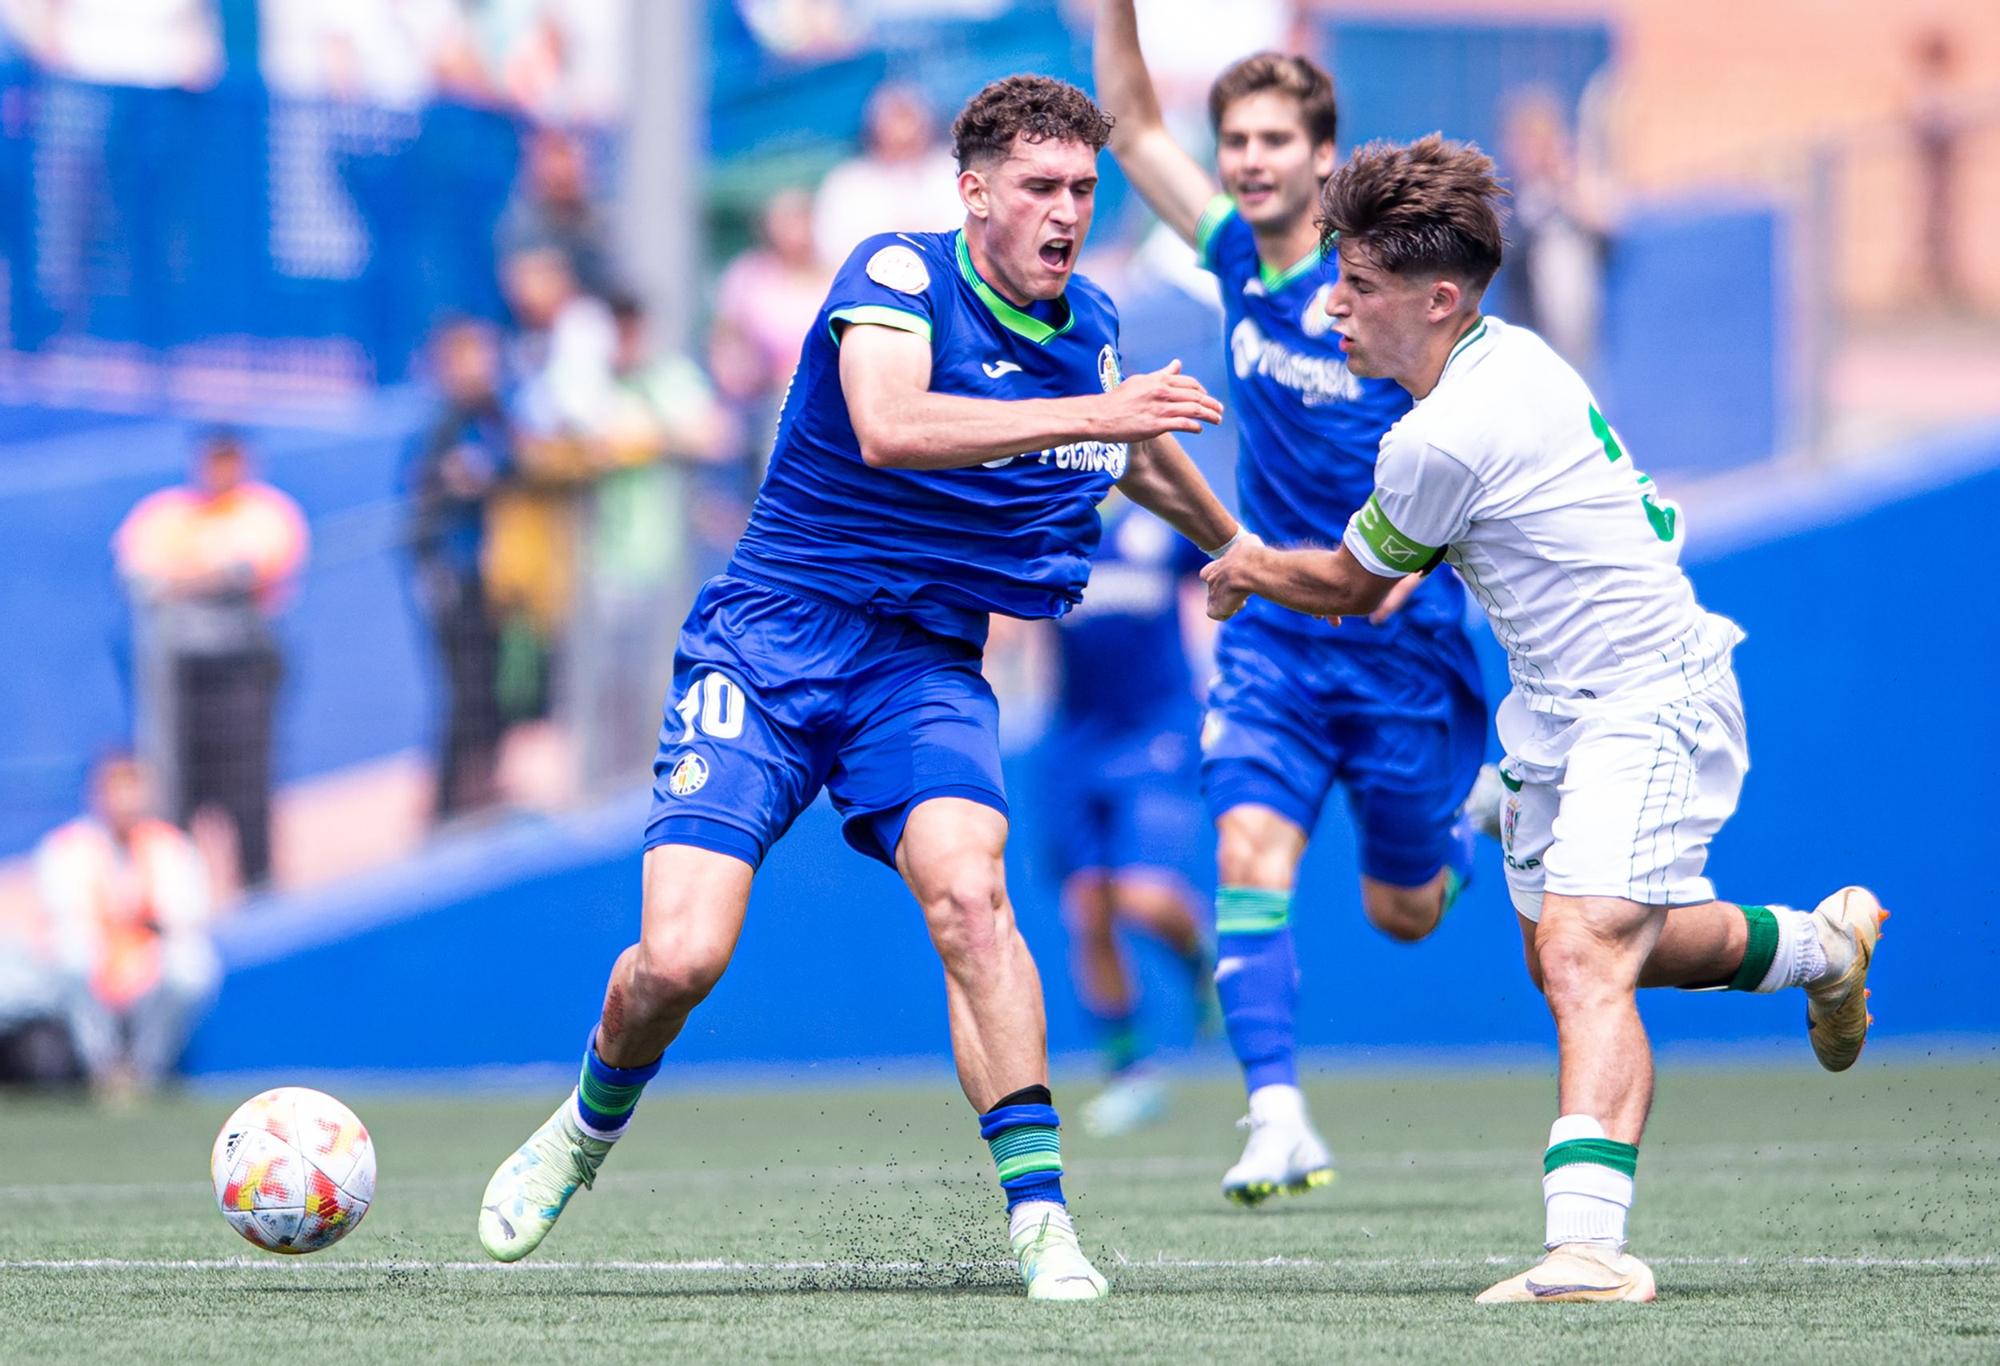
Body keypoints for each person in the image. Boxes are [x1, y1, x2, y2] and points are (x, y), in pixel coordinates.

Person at [475, 74, 1245, 1302]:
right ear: (972, 191)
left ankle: (1041, 1221)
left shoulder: (1085, 326)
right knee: (678, 959)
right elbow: (890, 424)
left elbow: (1123, 449)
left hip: (922, 663)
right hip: (771, 647)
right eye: (1040, 187)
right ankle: (582, 1125)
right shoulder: (893, 277)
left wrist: (1234, 546)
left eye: (1084, 190)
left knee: (971, 895)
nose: (1066, 212)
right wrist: (1099, 405)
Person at [1201, 134, 1885, 1303]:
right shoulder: (1492, 360)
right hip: (1555, 716)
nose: (1334, 308)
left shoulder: (1443, 432)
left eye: (1357, 287)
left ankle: (1587, 1247)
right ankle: (1822, 948)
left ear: (1437, 298)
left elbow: (1358, 590)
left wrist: (1245, 563)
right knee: (1594, 950)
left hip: (1649, 694)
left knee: (1582, 948)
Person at [1095, 2, 1492, 1203]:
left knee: (1404, 911)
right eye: (1236, 141)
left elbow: (1485, 434)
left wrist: (1432, 556)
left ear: (1325, 159)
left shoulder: (1378, 288)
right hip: (1273, 631)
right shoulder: (1228, 254)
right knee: (1245, 847)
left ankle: (1467, 825)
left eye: (1275, 139)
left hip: (1395, 640)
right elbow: (1123, 119)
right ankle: (1275, 1115)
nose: (1250, 160)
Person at [1047, 495, 1218, 1137]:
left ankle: (1202, 955)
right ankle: (1130, 1075)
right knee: (1086, 908)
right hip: (1075, 743)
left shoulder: (1157, 524)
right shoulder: (1048, 522)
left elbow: (1226, 569)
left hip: (1157, 731)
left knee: (1141, 898)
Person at [114, 431, 310, 893]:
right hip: (177, 680)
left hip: (243, 676)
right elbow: (138, 579)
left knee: (248, 789)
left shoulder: (266, 512)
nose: (220, 472)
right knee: (177, 795)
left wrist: (181, 580)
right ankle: (180, 900)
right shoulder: (165, 515)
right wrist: (205, 575)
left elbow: (245, 571)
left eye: (230, 462)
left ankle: (259, 886)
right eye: (212, 462)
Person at [32, 754, 219, 1098]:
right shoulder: (68, 847)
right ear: (98, 796)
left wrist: (140, 938)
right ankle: (102, 1068)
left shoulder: (169, 846)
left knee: (191, 965)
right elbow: (64, 916)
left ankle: (146, 1071)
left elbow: (187, 916)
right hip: (97, 962)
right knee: (71, 955)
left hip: (149, 960)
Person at [407, 318, 515, 823]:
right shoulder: (439, 427)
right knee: (464, 695)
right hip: (458, 582)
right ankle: (447, 809)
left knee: (501, 689)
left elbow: (518, 464)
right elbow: (421, 508)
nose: (483, 366)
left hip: (500, 582)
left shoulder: (497, 416)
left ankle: (485, 789)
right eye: (470, 357)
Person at [810, 82, 966, 267]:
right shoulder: (848, 182)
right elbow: (832, 247)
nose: (903, 133)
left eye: (908, 118)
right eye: (894, 120)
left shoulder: (953, 169)